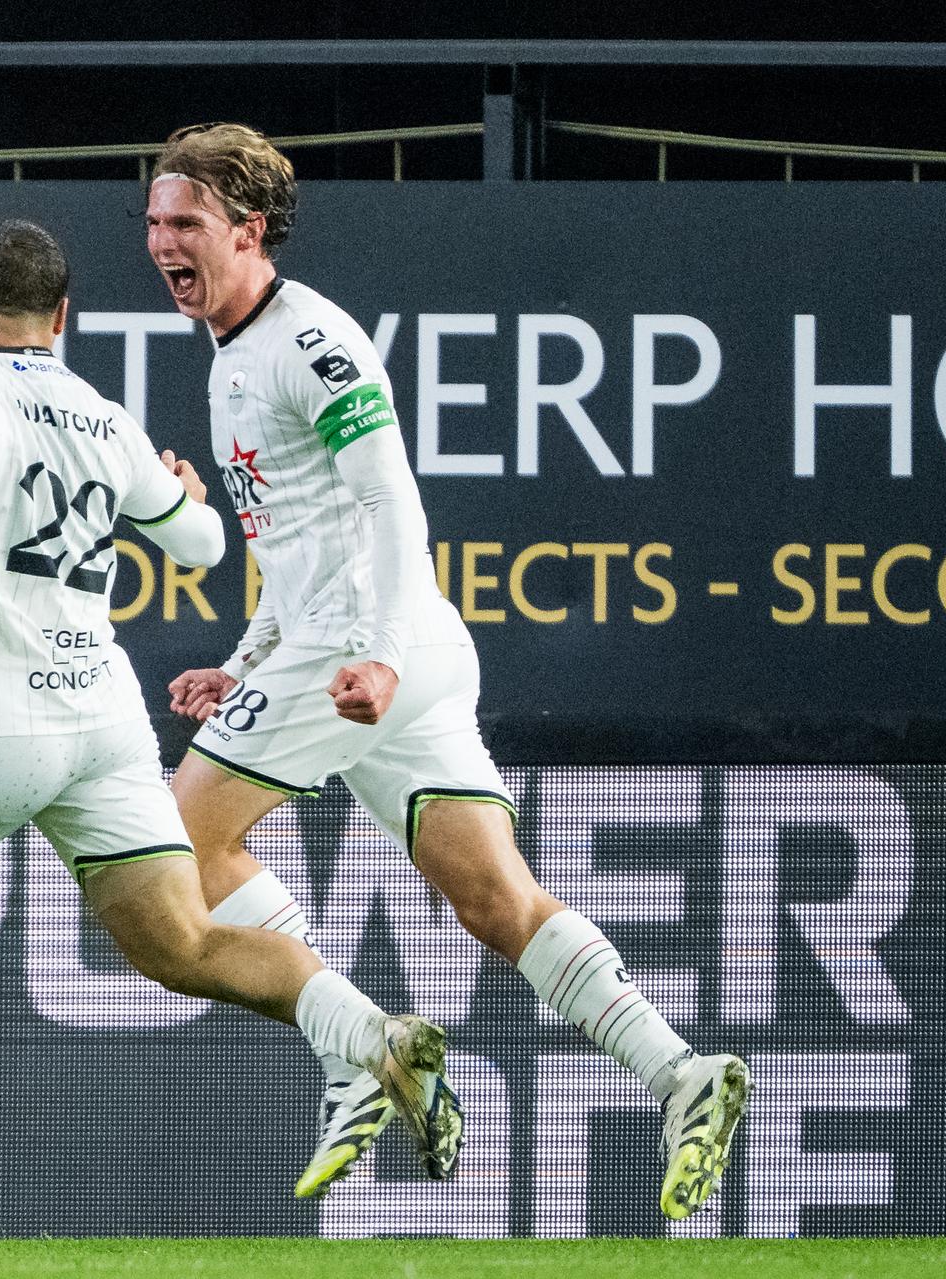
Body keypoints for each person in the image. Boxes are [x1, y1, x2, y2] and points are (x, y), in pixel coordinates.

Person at [0, 219, 461, 1220]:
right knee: (185, 945)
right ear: (64, 318)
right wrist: (188, 495)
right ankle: (372, 1034)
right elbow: (205, 543)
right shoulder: (104, 415)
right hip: (104, 725)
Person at [144, 122, 749, 1220]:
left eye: (184, 223)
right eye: (151, 222)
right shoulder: (234, 355)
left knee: (181, 844)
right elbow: (302, 542)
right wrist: (241, 663)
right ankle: (681, 1074)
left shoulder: (309, 339)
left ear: (249, 229)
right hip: (383, 647)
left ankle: (360, 1050)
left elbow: (389, 500)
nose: (160, 242)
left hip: (366, 650)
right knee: (492, 897)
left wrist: (369, 653)